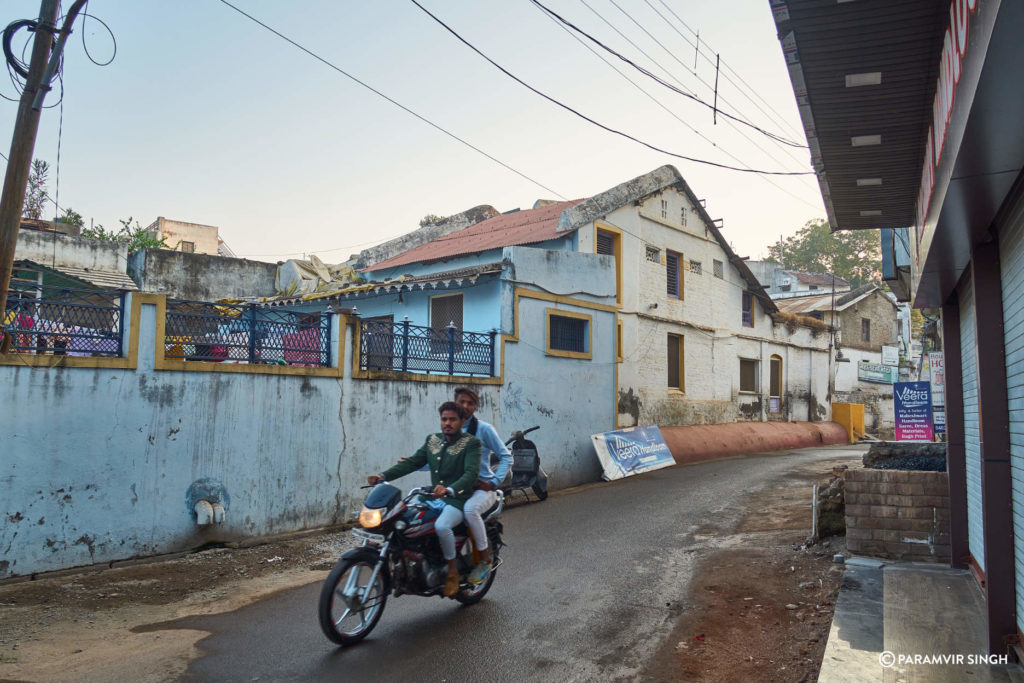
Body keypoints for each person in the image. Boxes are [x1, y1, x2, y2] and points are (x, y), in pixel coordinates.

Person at [368, 402, 480, 596]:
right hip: (430, 498)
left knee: (442, 526)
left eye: (452, 419)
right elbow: (412, 462)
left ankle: (452, 572)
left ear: (462, 421)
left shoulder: (471, 443)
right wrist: (383, 476)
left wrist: (449, 489)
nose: (447, 423)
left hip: (457, 500)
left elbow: (470, 473)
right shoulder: (433, 440)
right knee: (403, 521)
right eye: (444, 419)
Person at [454, 386, 512, 585]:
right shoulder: (450, 427)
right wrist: (411, 464)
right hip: (458, 489)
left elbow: (506, 456)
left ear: (475, 407)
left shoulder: (484, 429)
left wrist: (494, 482)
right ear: (455, 403)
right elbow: (435, 460)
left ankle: (484, 559)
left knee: (470, 510)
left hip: (482, 490)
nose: (465, 406)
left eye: (470, 403)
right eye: (462, 402)